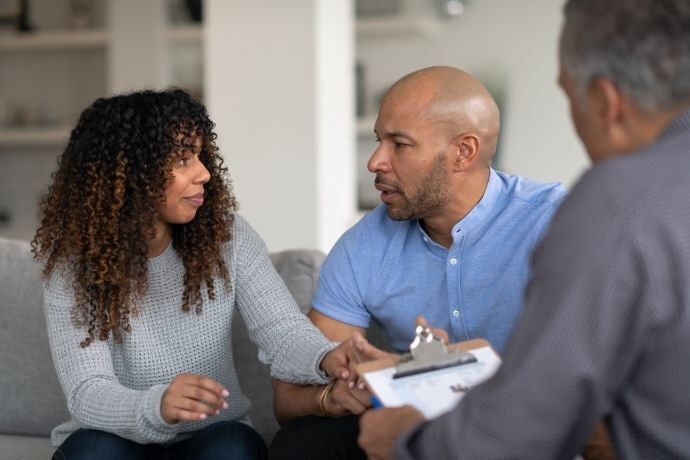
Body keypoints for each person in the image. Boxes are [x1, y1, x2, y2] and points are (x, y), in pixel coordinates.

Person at [358, 0, 690, 458]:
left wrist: (402, 439)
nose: (378, 161)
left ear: (607, 102)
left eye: (572, 97)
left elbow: (516, 434)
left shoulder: (615, 205)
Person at [31, 89, 352, 460]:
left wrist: (329, 358)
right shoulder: (74, 265)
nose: (204, 173)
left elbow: (282, 332)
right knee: (92, 451)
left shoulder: (228, 237)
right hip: (113, 437)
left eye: (200, 156)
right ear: (129, 172)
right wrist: (159, 406)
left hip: (210, 435)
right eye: (183, 159)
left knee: (233, 446)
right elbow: (87, 390)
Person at [269, 67, 566, 459]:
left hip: (526, 422)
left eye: (400, 144)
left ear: (464, 151)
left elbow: (593, 370)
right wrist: (333, 396)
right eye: (379, 140)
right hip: (412, 428)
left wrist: (448, 373)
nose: (375, 161)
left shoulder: (556, 223)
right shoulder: (364, 246)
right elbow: (287, 397)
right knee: (303, 443)